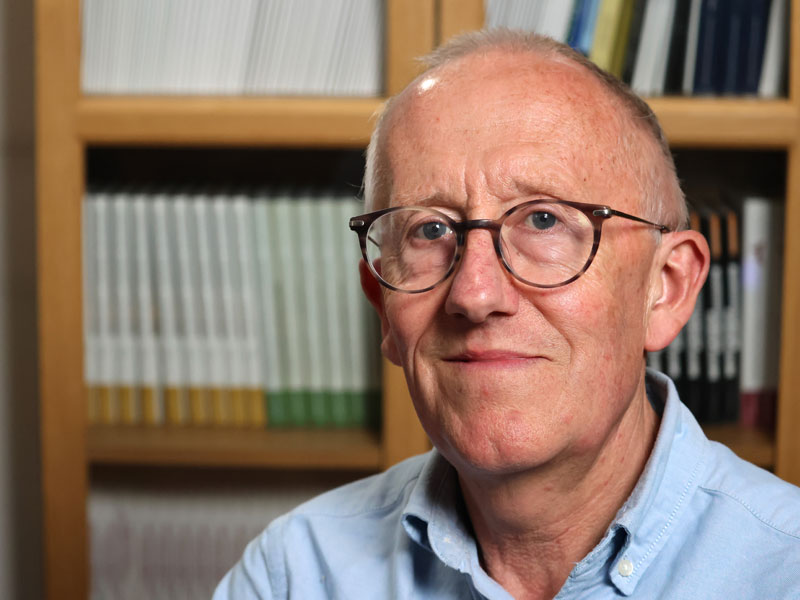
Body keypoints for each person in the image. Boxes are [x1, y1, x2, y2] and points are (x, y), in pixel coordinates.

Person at [215, 30, 800, 599]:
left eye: (544, 220)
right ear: (384, 310)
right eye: (431, 229)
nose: (473, 294)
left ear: (666, 289)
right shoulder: (293, 574)